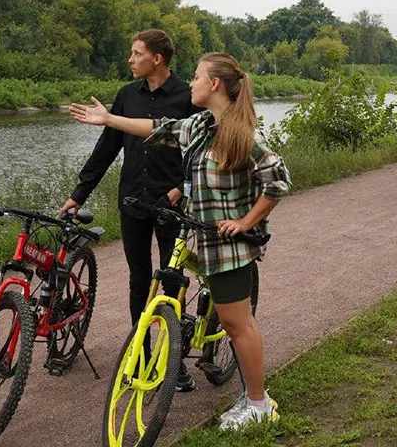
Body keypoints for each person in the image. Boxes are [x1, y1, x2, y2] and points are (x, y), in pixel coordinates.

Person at [70, 51, 290, 431]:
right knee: (184, 294)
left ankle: (258, 403)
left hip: (227, 245)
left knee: (238, 325)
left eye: (197, 77)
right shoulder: (200, 126)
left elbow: (278, 181)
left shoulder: (243, 134)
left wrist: (244, 220)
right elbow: (156, 127)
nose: (191, 83)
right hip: (196, 235)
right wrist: (108, 119)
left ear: (215, 84)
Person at [60, 29, 199, 391]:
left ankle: (173, 363)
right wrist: (79, 194)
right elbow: (107, 149)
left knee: (171, 282)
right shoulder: (126, 96)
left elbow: (200, 150)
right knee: (140, 279)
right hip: (134, 202)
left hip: (173, 206)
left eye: (136, 53)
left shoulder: (188, 97)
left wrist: (181, 187)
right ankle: (140, 355)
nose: (130, 59)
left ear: (157, 58)